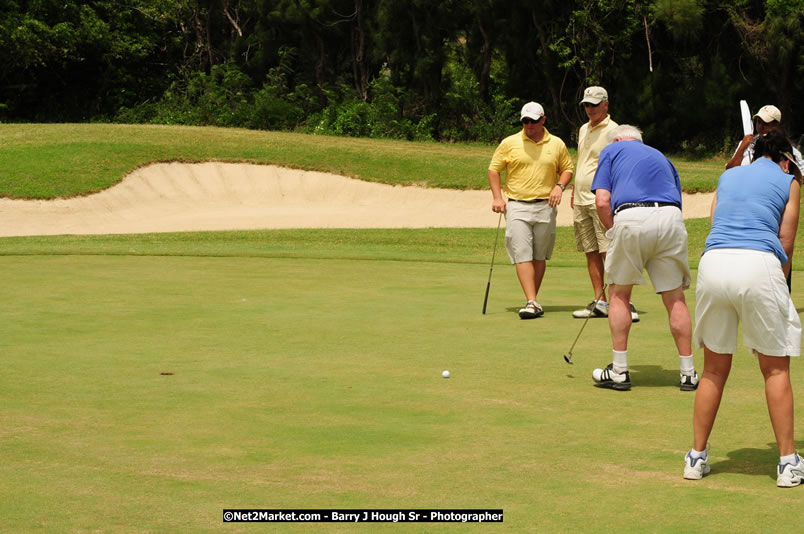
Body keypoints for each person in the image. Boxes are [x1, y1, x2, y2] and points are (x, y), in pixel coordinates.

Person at [684, 130, 803, 487]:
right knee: (775, 369)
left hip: (713, 264)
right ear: (785, 159)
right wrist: (778, 285)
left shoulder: (729, 174)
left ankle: (696, 458)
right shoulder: (790, 181)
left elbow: (714, 223)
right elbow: (786, 240)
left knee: (714, 370)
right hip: (759, 263)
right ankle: (787, 462)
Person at [589, 125, 699, 391]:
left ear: (617, 139)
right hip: (671, 219)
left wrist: (612, 230)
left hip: (631, 216)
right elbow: (676, 201)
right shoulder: (662, 156)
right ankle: (688, 373)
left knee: (618, 295)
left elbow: (602, 201)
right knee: (675, 298)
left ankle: (619, 370)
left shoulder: (611, 149)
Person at [488, 102, 574, 319]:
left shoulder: (556, 143)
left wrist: (559, 186)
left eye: (534, 121)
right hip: (517, 204)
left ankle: (532, 299)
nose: (529, 125)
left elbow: (567, 169)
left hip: (546, 205)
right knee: (522, 253)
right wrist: (498, 197)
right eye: (525, 121)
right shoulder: (510, 143)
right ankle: (531, 301)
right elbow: (494, 170)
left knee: (539, 255)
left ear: (543, 120)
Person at [571, 86, 639, 322]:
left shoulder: (615, 131)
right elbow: (583, 161)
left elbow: (620, 167)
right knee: (590, 251)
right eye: (587, 105)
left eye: (594, 105)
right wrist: (573, 190)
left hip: (601, 198)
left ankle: (624, 301)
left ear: (606, 105)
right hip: (580, 198)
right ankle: (600, 301)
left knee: (608, 251)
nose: (590, 109)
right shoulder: (583, 129)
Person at [726, 104, 804, 171]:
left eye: (765, 123)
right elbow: (729, 170)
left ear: (776, 125)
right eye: (759, 122)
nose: (760, 126)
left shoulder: (786, 147)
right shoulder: (746, 142)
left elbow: (801, 174)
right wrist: (742, 147)